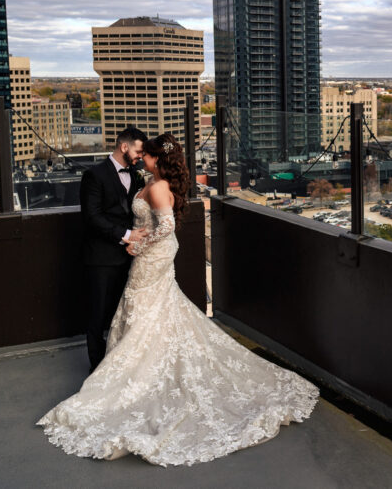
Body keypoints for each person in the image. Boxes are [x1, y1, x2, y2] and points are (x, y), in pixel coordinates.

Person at [39, 133, 318, 466]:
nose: (142, 158)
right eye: (140, 153)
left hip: (152, 255)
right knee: (150, 309)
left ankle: (127, 376)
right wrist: (134, 240)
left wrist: (138, 245)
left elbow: (167, 225)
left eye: (147, 155)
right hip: (143, 254)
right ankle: (119, 371)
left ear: (157, 158)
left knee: (145, 307)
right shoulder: (148, 180)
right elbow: (107, 215)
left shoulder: (155, 186)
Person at [80, 126, 148, 372]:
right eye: (138, 151)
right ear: (124, 147)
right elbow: (92, 217)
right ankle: (97, 371)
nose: (140, 156)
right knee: (97, 317)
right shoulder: (94, 175)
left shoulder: (137, 175)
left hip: (130, 259)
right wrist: (127, 235)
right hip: (100, 259)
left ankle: (120, 364)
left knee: (122, 315)